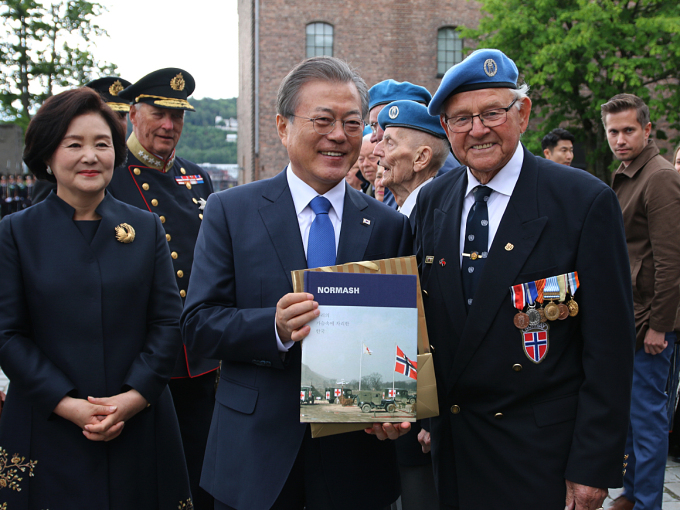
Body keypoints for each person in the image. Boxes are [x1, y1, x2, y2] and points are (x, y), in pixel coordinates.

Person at [373, 48, 635, 510]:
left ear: (523, 114)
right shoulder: (433, 201)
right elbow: (415, 320)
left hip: (540, 455)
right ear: (446, 132)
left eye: (492, 112)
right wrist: (388, 401)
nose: (477, 129)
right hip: (453, 448)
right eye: (461, 119)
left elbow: (610, 348)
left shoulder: (582, 202)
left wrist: (594, 465)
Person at [180, 56, 412, 510]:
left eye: (352, 123)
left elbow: (397, 336)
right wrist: (275, 328)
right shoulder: (231, 211)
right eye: (322, 120)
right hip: (254, 454)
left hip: (355, 456)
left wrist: (394, 409)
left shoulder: (388, 225)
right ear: (284, 127)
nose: (338, 136)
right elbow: (199, 325)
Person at [0, 87, 191, 508]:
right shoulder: (16, 233)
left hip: (139, 419)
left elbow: (167, 323)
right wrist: (67, 405)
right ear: (48, 155)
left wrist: (132, 398)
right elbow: (8, 335)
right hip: (46, 421)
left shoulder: (146, 228)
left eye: (102, 144)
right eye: (75, 144)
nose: (91, 156)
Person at [108, 67, 217, 510]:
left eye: (178, 117)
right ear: (134, 114)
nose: (169, 126)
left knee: (202, 467)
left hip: (200, 356)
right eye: (159, 114)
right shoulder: (110, 176)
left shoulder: (197, 177)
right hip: (144, 357)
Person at [604, 94, 680, 510]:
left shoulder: (660, 176)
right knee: (631, 419)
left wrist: (660, 326)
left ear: (647, 130)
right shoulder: (629, 171)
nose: (620, 139)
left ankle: (648, 502)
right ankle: (633, 494)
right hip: (630, 315)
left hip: (651, 323)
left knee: (648, 422)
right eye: (613, 131)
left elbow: (672, 260)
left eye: (628, 130)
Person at [32, 76, 133, 206]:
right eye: (75, 145)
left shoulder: (133, 162)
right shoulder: (61, 167)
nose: (115, 123)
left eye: (121, 116)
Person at [374, 99, 450, 218]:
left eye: (390, 143)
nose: (376, 151)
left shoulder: (440, 221)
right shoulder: (397, 213)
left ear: (421, 158)